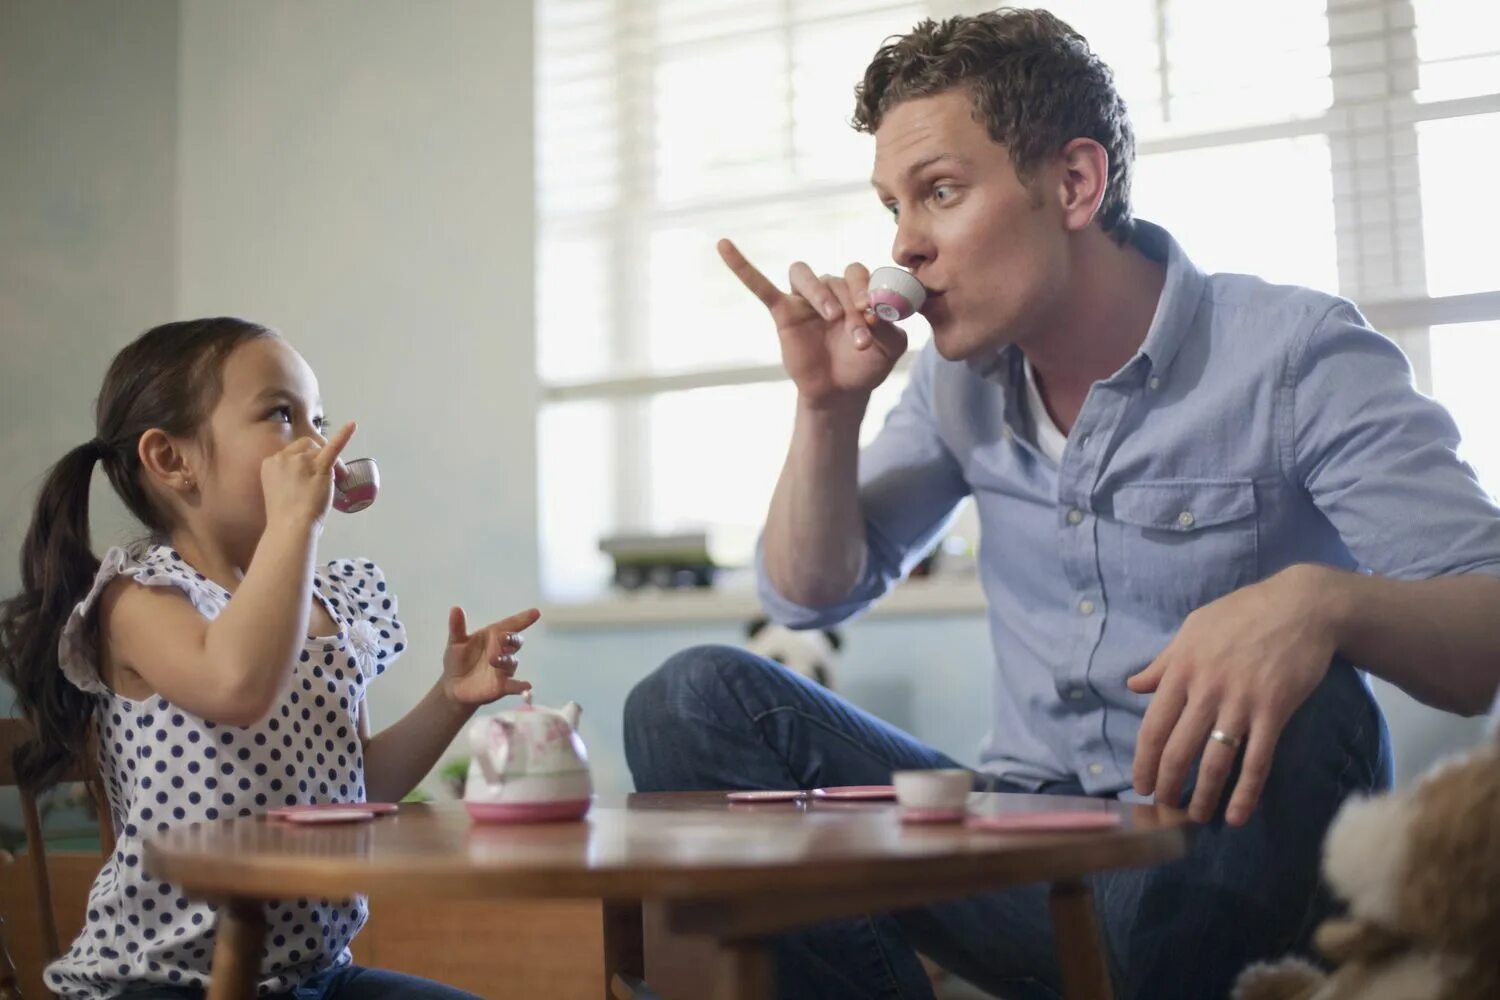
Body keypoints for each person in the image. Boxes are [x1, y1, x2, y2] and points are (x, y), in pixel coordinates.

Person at [623, 10, 1500, 999]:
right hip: (1021, 848)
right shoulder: (958, 381)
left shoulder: (1296, 355)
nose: (904, 249)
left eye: (940, 193)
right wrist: (826, 408)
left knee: (1313, 695)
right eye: (893, 209)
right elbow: (807, 597)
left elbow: (1485, 633)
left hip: (1214, 846)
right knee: (689, 699)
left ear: (1075, 184)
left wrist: (1321, 602)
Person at [0, 318, 539, 999]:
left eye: (318, 417)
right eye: (282, 415)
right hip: (159, 981)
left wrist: (449, 699)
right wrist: (294, 525)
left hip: (315, 973)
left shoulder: (325, 604)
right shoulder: (142, 599)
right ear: (172, 460)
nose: (318, 442)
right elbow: (236, 685)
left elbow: (355, 788)